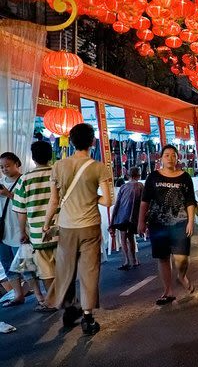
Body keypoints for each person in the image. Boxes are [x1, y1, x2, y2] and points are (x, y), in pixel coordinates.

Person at [42, 124, 112, 334]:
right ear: (93, 142)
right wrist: (93, 197)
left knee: (66, 269)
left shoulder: (59, 166)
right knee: (89, 271)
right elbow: (108, 201)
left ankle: (69, 308)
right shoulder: (99, 167)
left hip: (66, 226)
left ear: (71, 141)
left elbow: (54, 201)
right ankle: (88, 317)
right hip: (90, 226)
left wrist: (46, 224)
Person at [138, 145, 197, 306]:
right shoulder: (153, 177)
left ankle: (182, 276)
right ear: (161, 158)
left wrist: (191, 220)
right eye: (166, 155)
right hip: (158, 224)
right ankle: (168, 291)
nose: (170, 158)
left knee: (181, 258)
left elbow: (190, 201)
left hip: (180, 223)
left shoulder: (185, 177)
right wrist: (141, 221)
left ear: (177, 158)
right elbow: (145, 201)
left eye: (173, 155)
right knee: (163, 258)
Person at [11, 142, 58, 311]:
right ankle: (67, 299)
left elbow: (21, 211)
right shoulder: (58, 174)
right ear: (50, 155)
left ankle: (51, 301)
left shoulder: (24, 179)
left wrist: (22, 231)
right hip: (62, 229)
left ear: (33, 157)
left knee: (46, 270)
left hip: (39, 234)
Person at [1, 151, 42, 308]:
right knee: (7, 264)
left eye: (7, 166)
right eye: (1, 167)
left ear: (17, 164)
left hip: (20, 229)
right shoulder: (1, 182)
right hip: (3, 230)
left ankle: (39, 296)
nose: (4, 169)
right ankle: (18, 295)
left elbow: (28, 203)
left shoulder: (24, 181)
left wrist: (8, 194)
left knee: (26, 266)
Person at [109, 166, 143, 270]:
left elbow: (117, 204)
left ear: (128, 175)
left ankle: (126, 260)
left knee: (124, 238)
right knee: (131, 237)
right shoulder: (141, 186)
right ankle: (135, 260)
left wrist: (112, 221)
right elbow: (144, 203)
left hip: (122, 217)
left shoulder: (123, 187)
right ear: (138, 175)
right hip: (134, 217)